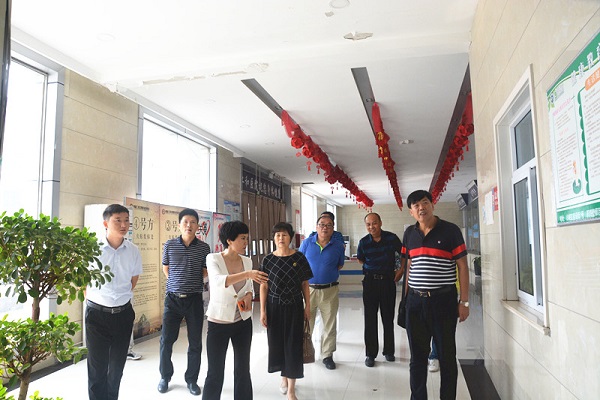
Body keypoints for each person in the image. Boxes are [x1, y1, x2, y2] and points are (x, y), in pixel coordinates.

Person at [402, 190, 470, 400]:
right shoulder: (409, 234)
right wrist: (405, 301)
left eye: (424, 203)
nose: (421, 208)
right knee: (417, 358)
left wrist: (464, 302)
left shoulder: (450, 231)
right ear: (411, 212)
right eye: (416, 205)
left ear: (432, 205)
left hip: (443, 302)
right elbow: (409, 267)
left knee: (447, 356)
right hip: (415, 302)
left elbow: (463, 266)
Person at [202, 221, 268, 400]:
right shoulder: (213, 258)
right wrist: (248, 274)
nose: (246, 242)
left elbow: (249, 287)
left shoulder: (247, 261)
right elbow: (218, 281)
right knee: (215, 372)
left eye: (247, 238)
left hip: (242, 322)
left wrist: (248, 295)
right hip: (218, 323)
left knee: (242, 369)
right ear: (229, 240)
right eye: (242, 238)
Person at [85, 204, 143, 400]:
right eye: (118, 220)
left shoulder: (133, 250)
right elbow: (83, 281)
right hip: (96, 315)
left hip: (123, 314)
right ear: (105, 223)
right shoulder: (92, 249)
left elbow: (133, 280)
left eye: (126, 220)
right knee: (97, 368)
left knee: (116, 367)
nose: (123, 225)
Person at [158, 208, 210, 396]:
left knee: (195, 343)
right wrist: (177, 282)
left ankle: (192, 380)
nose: (189, 225)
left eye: (193, 222)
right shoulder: (170, 245)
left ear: (198, 226)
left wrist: (189, 282)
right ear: (179, 224)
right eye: (186, 222)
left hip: (194, 300)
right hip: (172, 299)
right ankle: (165, 377)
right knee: (166, 341)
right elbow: (166, 268)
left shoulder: (204, 248)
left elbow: (205, 271)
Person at [260, 222, 312, 400]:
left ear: (290, 237)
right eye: (277, 235)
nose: (280, 238)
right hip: (274, 307)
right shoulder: (268, 260)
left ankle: (291, 390)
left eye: (284, 235)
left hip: (294, 306)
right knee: (277, 343)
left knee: (293, 344)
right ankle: (283, 375)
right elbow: (264, 286)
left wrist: (307, 306)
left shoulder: (299, 257)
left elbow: (305, 284)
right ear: (273, 238)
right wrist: (262, 311)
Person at [356, 212, 403, 367]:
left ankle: (389, 351)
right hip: (370, 283)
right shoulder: (364, 242)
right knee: (370, 319)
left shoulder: (392, 238)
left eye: (374, 223)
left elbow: (404, 255)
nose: (372, 227)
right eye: (368, 224)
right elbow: (361, 259)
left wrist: (401, 270)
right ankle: (370, 354)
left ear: (381, 223)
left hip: (388, 282)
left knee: (388, 318)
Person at [299, 215, 345, 370]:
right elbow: (299, 263)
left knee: (329, 324)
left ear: (333, 228)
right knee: (306, 322)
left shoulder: (338, 246)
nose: (325, 228)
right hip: (308, 290)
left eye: (329, 225)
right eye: (322, 224)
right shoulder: (307, 243)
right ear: (316, 227)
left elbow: (339, 265)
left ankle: (327, 355)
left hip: (329, 290)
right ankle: (304, 351)